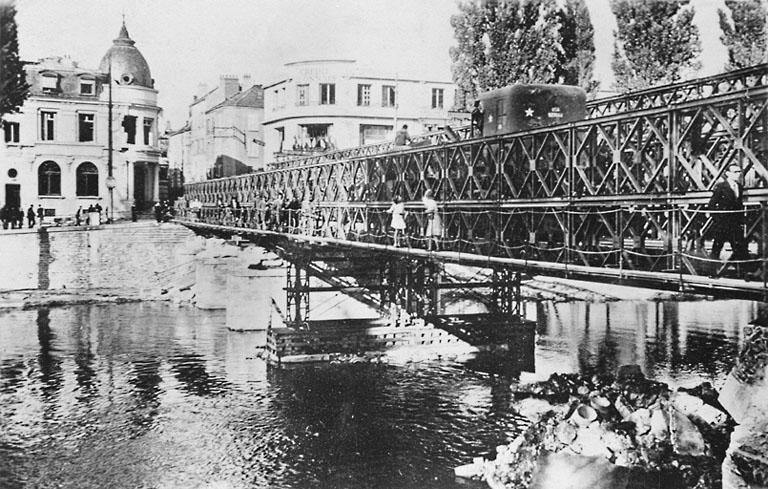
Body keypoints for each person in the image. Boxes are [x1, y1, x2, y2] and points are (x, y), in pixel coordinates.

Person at [708, 163, 747, 262]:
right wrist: (718, 219)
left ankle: (744, 273)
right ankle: (711, 272)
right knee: (716, 248)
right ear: (728, 173)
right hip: (722, 224)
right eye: (735, 172)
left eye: (739, 172)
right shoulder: (721, 187)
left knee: (740, 249)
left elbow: (739, 204)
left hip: (735, 224)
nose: (738, 174)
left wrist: (741, 220)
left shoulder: (739, 187)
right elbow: (711, 205)